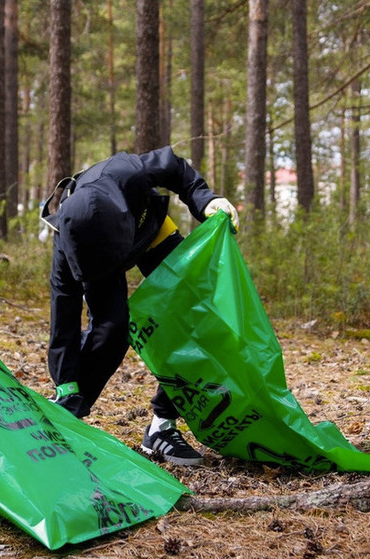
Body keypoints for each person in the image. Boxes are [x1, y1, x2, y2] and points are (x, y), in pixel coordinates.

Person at [40, 146, 239, 466]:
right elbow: (63, 316)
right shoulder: (69, 241)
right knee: (112, 329)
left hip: (146, 226)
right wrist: (65, 383)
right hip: (98, 259)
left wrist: (206, 199)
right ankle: (67, 417)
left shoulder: (127, 174)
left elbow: (175, 167)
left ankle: (162, 426)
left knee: (195, 309)